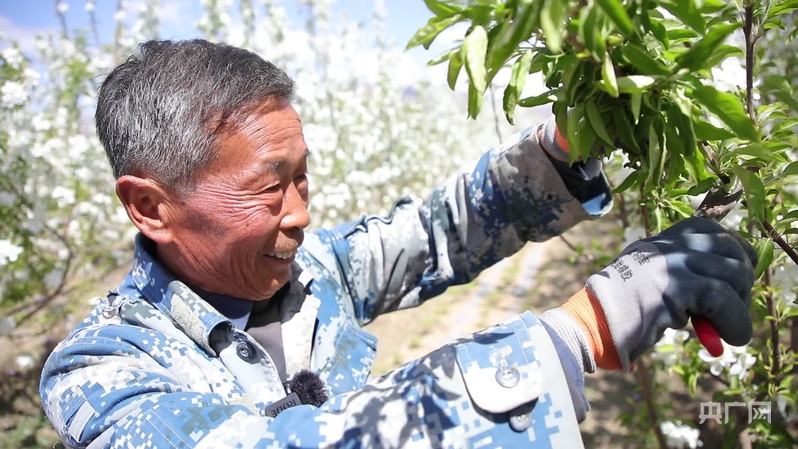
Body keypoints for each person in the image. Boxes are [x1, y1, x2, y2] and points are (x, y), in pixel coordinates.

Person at [39, 39, 757, 448]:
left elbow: (438, 231)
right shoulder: (101, 368)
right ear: (149, 206)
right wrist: (573, 336)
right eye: (268, 188)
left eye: (304, 179)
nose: (298, 215)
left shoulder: (311, 274)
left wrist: (568, 148)